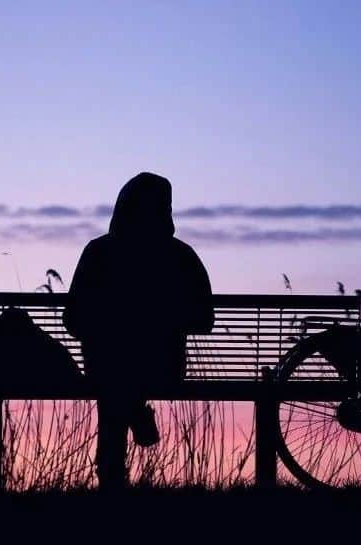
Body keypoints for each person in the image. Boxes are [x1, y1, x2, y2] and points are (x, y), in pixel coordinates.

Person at [63, 172, 214, 490]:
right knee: (119, 379)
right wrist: (163, 318)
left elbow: (72, 320)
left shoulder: (98, 252)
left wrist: (111, 325)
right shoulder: (180, 255)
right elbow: (204, 318)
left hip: (106, 367)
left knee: (113, 383)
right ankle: (133, 412)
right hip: (163, 366)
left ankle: (112, 477)